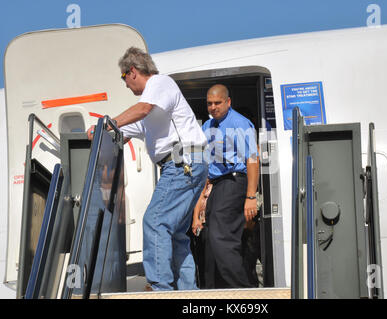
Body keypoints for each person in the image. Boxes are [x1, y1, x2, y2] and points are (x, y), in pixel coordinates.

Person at [87, 47, 208, 291]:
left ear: (132, 71)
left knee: (155, 222)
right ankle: (188, 291)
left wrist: (108, 122)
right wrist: (100, 131)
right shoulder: (151, 111)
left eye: (123, 78)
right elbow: (127, 128)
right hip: (188, 163)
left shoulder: (160, 83)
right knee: (174, 233)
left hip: (182, 162)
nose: (125, 85)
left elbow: (140, 110)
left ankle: (160, 288)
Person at [192, 84, 260, 289]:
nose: (213, 107)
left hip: (234, 181)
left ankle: (243, 291)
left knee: (221, 236)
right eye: (209, 103)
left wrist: (250, 197)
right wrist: (198, 207)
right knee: (209, 240)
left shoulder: (240, 123)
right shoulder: (207, 127)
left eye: (217, 103)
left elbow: (252, 159)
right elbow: (205, 166)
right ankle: (215, 291)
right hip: (215, 185)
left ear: (228, 102)